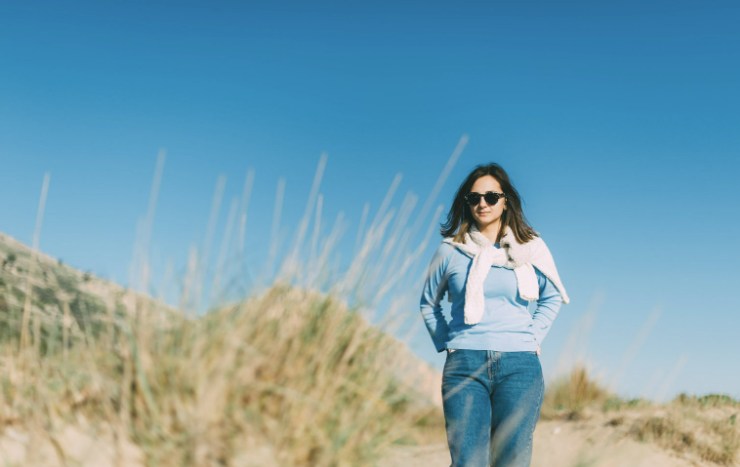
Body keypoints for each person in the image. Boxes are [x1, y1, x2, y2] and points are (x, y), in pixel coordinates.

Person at [419, 163, 569, 467]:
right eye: (473, 199)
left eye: (490, 196)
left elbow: (552, 297)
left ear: (505, 200)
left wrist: (534, 336)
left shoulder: (530, 248)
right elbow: (428, 303)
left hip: (520, 365)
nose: (482, 204)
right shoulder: (450, 250)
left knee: (511, 461)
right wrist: (450, 342)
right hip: (465, 366)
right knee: (468, 462)